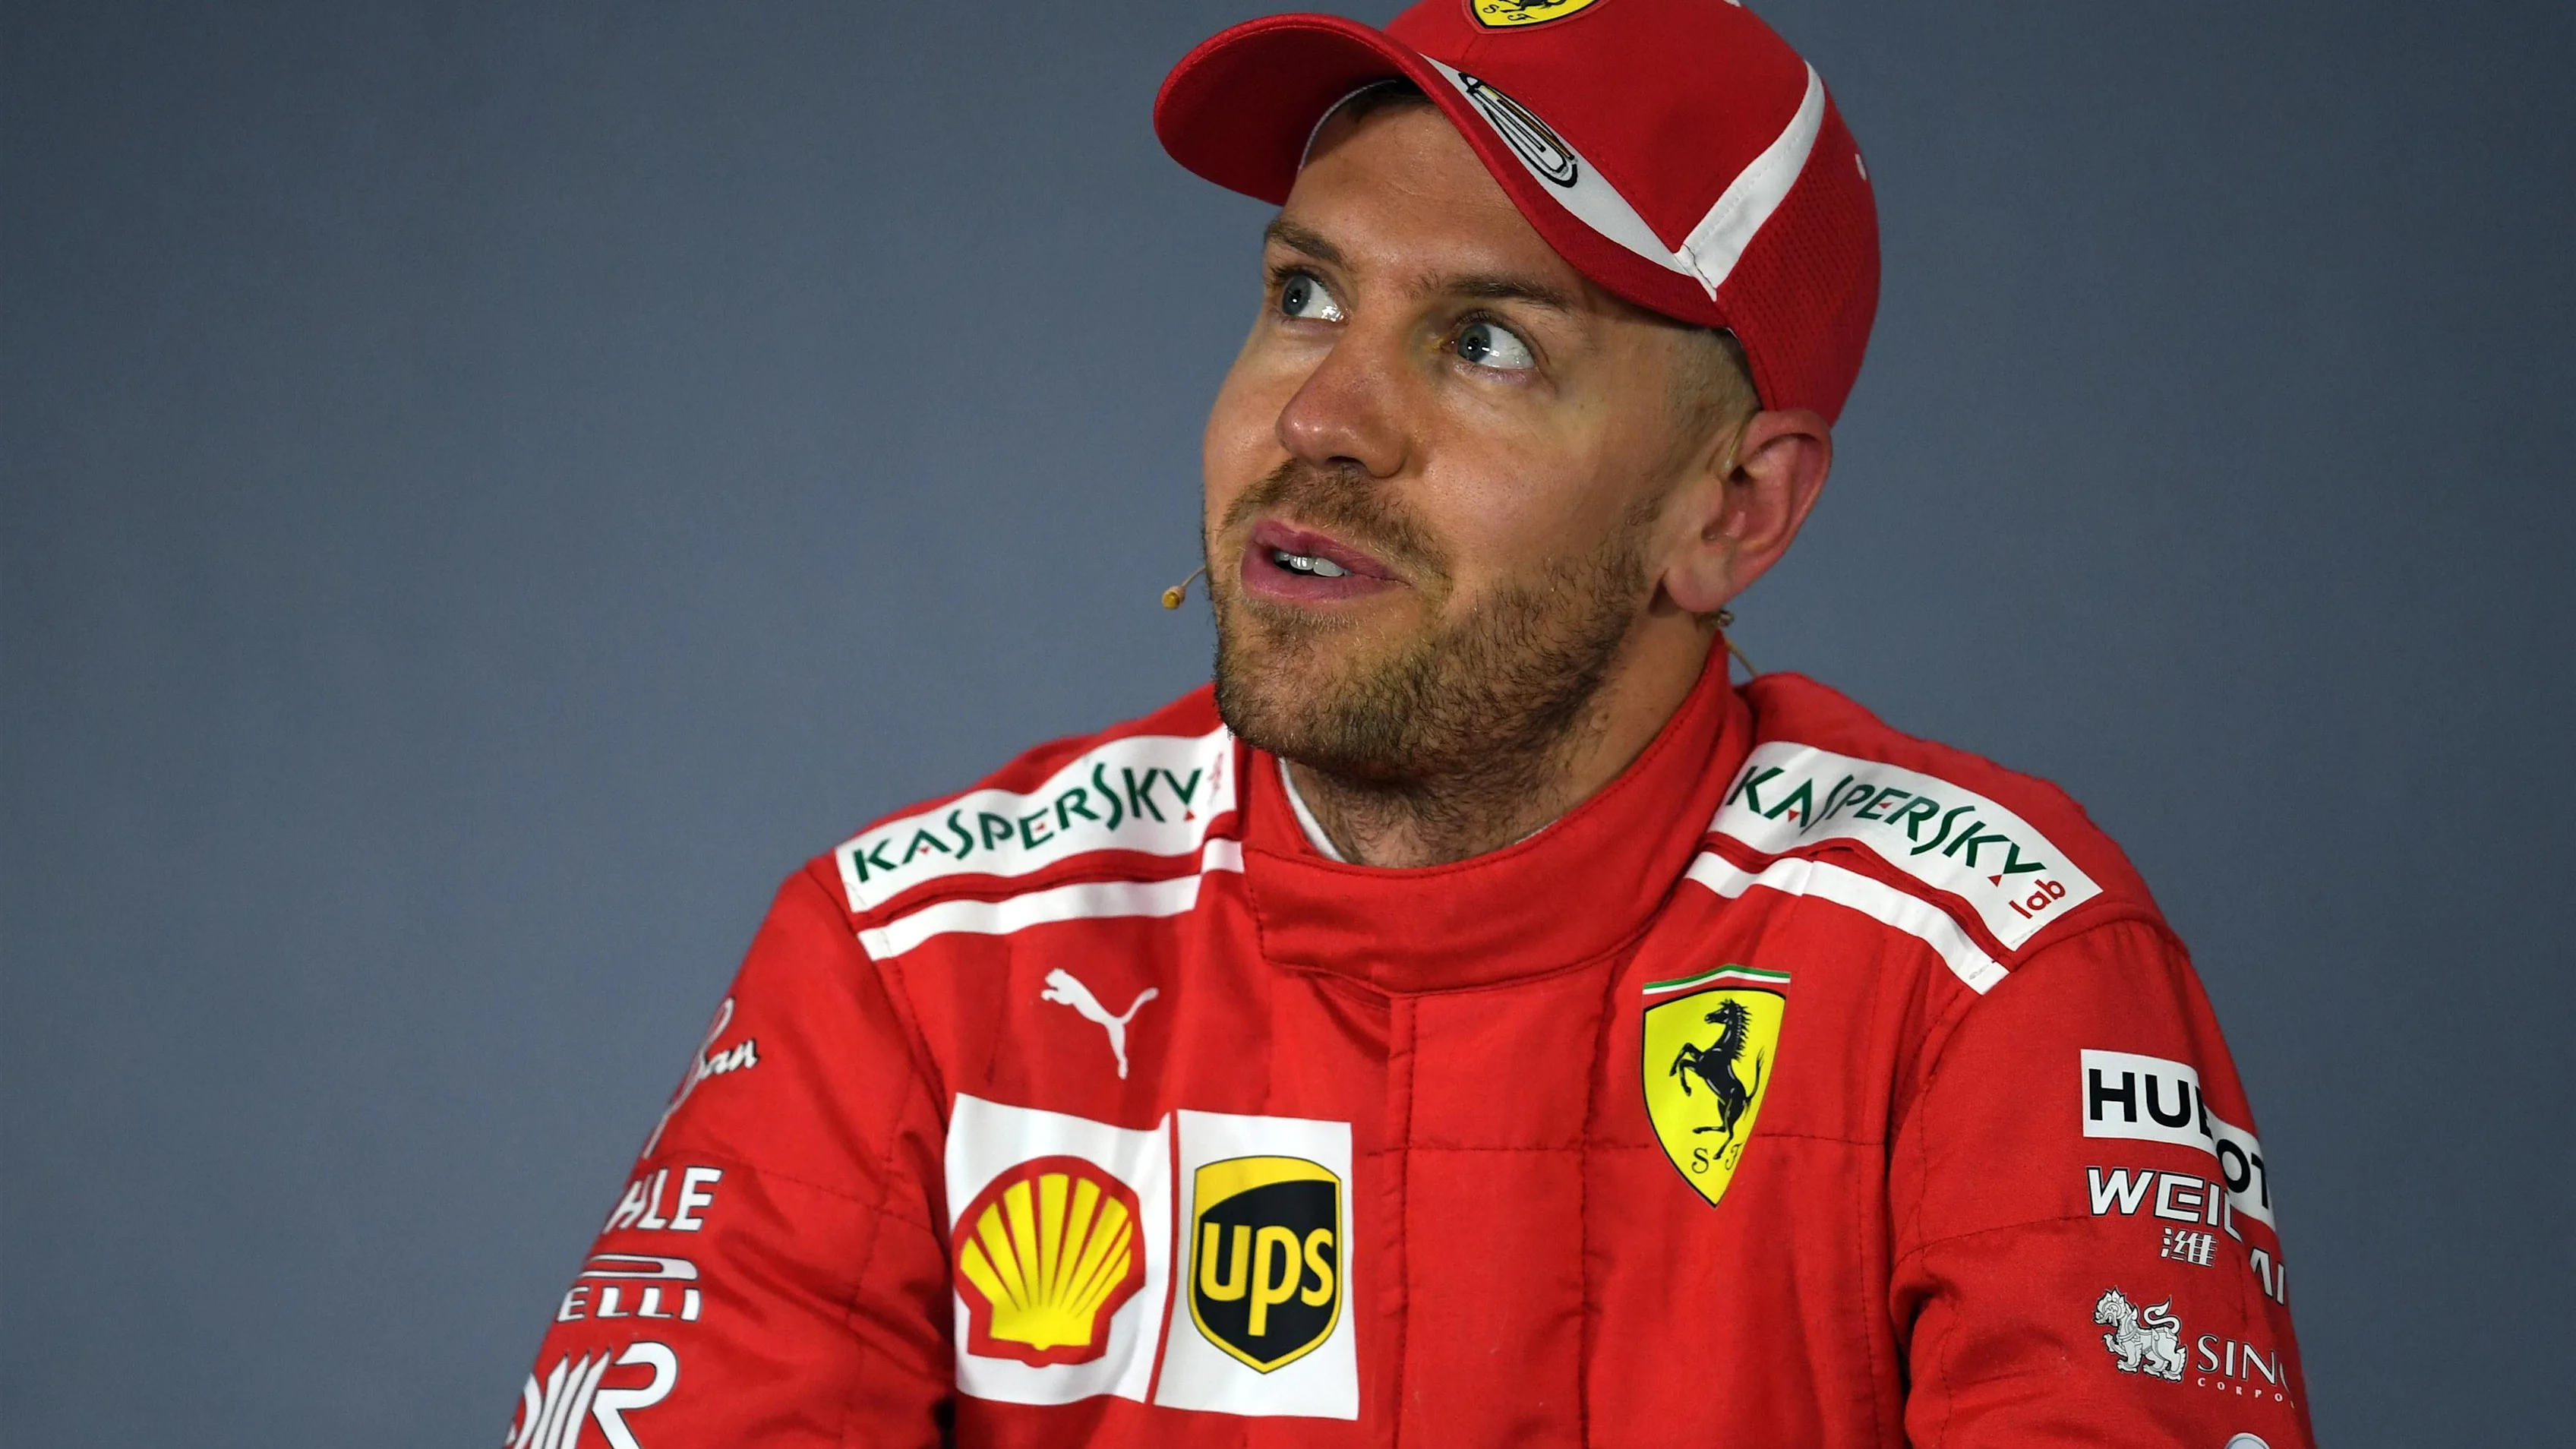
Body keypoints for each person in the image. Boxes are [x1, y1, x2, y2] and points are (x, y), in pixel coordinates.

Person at [508, 2, 2314, 1444]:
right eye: (1303, 297)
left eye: (1486, 345)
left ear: (1731, 511)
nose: (1324, 418)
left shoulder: (1985, 974)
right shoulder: (917, 969)